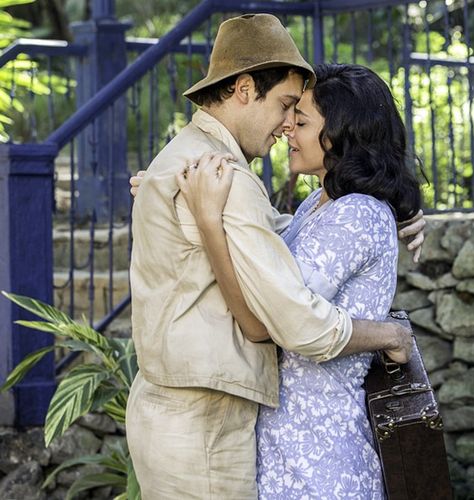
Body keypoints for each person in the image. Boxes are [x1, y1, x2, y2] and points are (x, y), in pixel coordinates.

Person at [127, 13, 425, 500]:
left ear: (341, 134)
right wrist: (388, 333)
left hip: (284, 442)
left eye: (300, 116)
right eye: (287, 106)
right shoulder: (223, 174)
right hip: (205, 422)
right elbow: (283, 319)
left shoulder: (191, 159)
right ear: (244, 89)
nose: (287, 126)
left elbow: (288, 255)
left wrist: (390, 216)